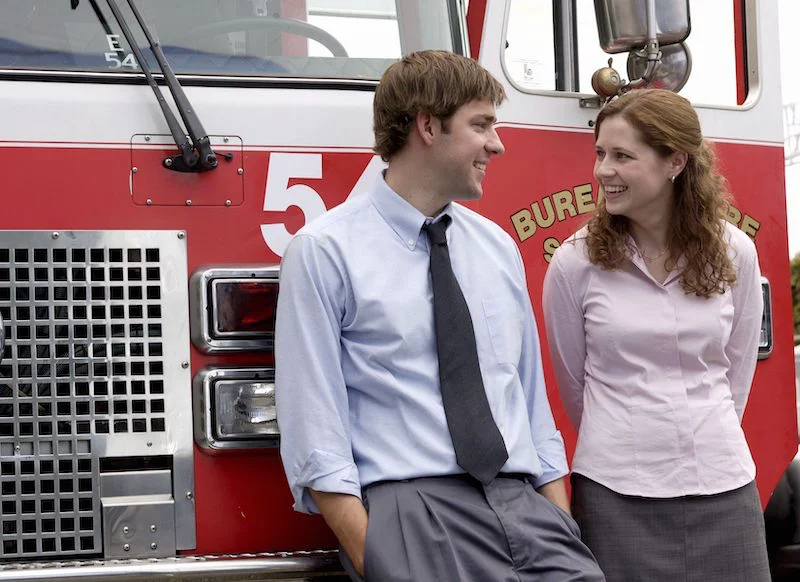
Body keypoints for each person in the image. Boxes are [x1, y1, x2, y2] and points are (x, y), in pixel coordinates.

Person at [275, 50, 604, 582]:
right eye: (481, 125)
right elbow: (316, 432)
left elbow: (529, 401)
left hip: (525, 509)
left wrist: (557, 522)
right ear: (428, 126)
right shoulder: (323, 251)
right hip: (413, 511)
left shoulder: (497, 247)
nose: (496, 144)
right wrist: (377, 557)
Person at [542, 88, 770, 581]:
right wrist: (630, 437)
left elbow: (737, 375)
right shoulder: (574, 261)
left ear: (675, 162)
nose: (604, 170)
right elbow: (574, 384)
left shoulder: (736, 253)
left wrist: (700, 435)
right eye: (600, 153)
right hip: (616, 493)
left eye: (623, 156)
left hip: (724, 489)